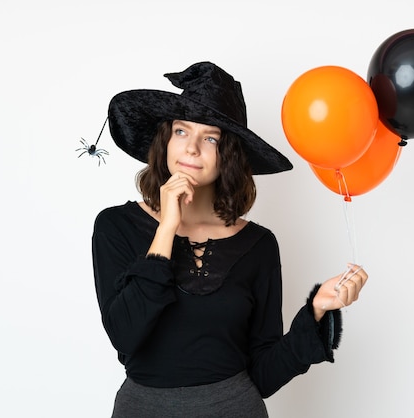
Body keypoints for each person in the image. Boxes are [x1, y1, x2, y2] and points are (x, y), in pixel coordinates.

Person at [92, 61, 368, 417]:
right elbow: (125, 336)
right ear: (165, 140)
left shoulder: (259, 245)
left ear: (230, 155)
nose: (191, 148)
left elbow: (264, 375)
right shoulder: (116, 226)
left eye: (210, 138)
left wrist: (317, 310)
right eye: (181, 131)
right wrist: (166, 229)